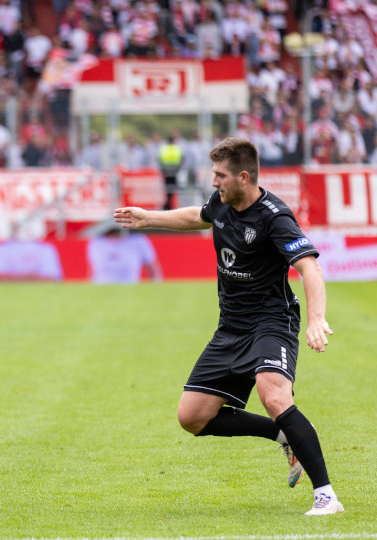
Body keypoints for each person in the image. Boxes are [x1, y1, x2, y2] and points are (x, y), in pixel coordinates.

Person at [113, 137, 343, 516]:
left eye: (220, 175)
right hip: (231, 327)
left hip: (272, 322)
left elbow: (309, 267)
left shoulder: (274, 216)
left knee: (274, 397)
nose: (214, 181)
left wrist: (317, 320)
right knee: (193, 417)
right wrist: (148, 217)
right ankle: (285, 434)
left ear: (243, 176)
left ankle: (326, 497)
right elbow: (196, 217)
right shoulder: (222, 202)